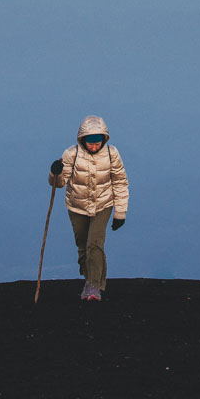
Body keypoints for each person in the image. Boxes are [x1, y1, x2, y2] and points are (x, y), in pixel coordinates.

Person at [48, 115, 129, 301]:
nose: (94, 147)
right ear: (82, 140)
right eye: (90, 143)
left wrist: (120, 213)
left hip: (103, 204)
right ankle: (90, 280)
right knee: (83, 246)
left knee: (95, 244)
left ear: (104, 140)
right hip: (77, 206)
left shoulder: (112, 154)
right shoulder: (71, 154)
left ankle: (94, 287)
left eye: (97, 143)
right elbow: (59, 184)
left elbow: (120, 183)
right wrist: (55, 172)